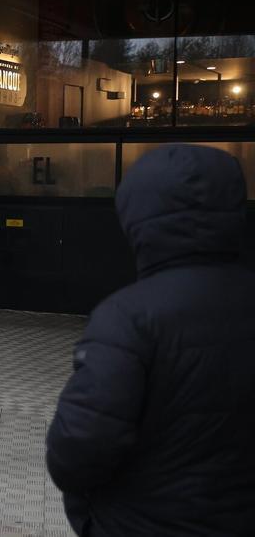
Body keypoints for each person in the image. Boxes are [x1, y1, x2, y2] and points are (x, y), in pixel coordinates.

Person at [46, 144, 255, 536]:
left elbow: (76, 448)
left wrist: (90, 512)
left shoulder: (128, 318)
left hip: (143, 521)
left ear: (137, 215)